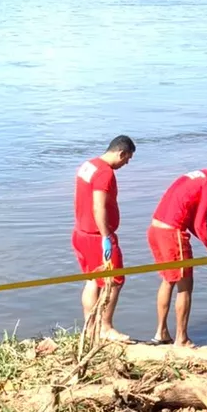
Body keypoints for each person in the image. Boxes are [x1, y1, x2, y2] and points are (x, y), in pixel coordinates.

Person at [147, 155, 207, 348]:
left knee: (167, 280)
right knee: (185, 285)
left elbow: (191, 221)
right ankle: (182, 338)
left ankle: (161, 332)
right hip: (172, 233)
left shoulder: (194, 176)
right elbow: (200, 222)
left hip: (155, 230)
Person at [72, 134, 136, 343]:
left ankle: (90, 328)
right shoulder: (104, 173)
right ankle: (106, 327)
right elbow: (98, 205)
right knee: (115, 280)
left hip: (80, 232)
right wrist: (106, 236)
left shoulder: (88, 165)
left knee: (93, 280)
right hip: (96, 236)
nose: (125, 164)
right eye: (126, 160)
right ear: (121, 153)